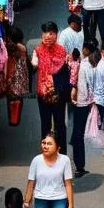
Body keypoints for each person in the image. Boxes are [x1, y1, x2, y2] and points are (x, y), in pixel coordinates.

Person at [70, 43, 104, 175]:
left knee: (78, 134)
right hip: (101, 102)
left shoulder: (84, 64)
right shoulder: (103, 64)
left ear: (86, 50)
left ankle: (79, 166)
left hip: (83, 103)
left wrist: (84, 101)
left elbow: (82, 87)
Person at [31, 22, 69, 152]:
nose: (48, 36)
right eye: (45, 33)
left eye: (51, 33)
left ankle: (62, 152)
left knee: (60, 124)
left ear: (56, 35)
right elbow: (33, 65)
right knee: (45, 124)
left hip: (58, 94)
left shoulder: (62, 51)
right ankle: (47, 152)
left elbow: (66, 72)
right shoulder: (37, 51)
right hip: (43, 94)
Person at [4, 26, 29, 127]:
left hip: (15, 73)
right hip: (20, 74)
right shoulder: (21, 46)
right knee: (16, 97)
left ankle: (14, 119)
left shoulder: (16, 46)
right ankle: (14, 119)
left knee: (13, 97)